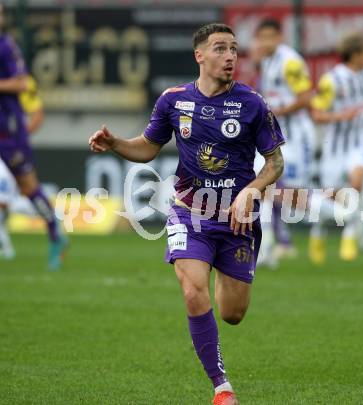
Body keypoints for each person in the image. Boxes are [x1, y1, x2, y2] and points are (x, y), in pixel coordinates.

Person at [89, 23, 284, 405]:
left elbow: (275, 163)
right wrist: (115, 144)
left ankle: (225, 278)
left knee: (232, 313)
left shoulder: (253, 104)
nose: (230, 56)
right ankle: (222, 388)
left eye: (233, 49)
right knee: (193, 290)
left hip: (235, 219)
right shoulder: (173, 101)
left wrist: (251, 190)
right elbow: (147, 147)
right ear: (200, 56)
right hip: (188, 212)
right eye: (220, 49)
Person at [0, 4, 67, 268]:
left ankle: (55, 233)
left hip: (9, 131)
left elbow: (23, 83)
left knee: (28, 187)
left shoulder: (6, 46)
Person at [309, 32, 363, 263]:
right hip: (336, 147)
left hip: (360, 144)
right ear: (355, 54)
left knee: (356, 184)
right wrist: (340, 116)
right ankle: (318, 231)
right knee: (331, 196)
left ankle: (350, 235)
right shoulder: (332, 80)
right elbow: (316, 114)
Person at [252, 19, 315, 266]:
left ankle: (345, 213)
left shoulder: (291, 62)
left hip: (296, 136)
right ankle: (266, 246)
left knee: (295, 197)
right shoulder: (266, 62)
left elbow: (306, 97)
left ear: (280, 37)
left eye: (270, 37)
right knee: (263, 185)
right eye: (262, 37)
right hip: (273, 136)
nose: (266, 42)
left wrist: (276, 112)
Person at [0, 74, 46, 260]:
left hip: (9, 150)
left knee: (4, 201)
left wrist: (19, 137)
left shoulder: (21, 81)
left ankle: (51, 215)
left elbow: (37, 113)